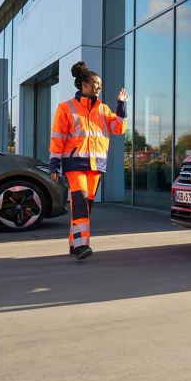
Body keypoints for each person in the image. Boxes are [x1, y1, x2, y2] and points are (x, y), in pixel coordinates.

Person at [49, 61, 127, 261]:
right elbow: (58, 138)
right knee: (81, 203)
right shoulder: (66, 108)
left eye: (100, 84)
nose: (99, 87)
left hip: (96, 165)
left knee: (84, 207)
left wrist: (121, 106)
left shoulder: (103, 108)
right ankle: (83, 245)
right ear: (83, 85)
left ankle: (74, 244)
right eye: (95, 83)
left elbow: (118, 129)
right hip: (74, 163)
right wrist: (54, 164)